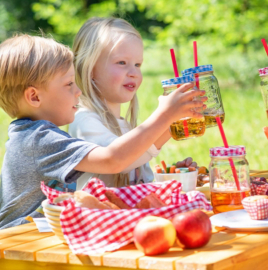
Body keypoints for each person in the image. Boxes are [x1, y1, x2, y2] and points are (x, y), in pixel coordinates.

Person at [0, 34, 205, 229]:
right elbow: (112, 159)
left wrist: (170, 122)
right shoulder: (39, 139)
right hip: (18, 244)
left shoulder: (34, 134)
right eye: (69, 84)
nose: (78, 91)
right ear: (34, 97)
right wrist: (163, 115)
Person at [69, 17, 206, 189]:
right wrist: (164, 115)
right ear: (89, 69)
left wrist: (170, 174)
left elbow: (139, 176)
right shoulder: (84, 121)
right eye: (121, 63)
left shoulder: (125, 126)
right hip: (99, 215)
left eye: (137, 64)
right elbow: (116, 160)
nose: (133, 72)